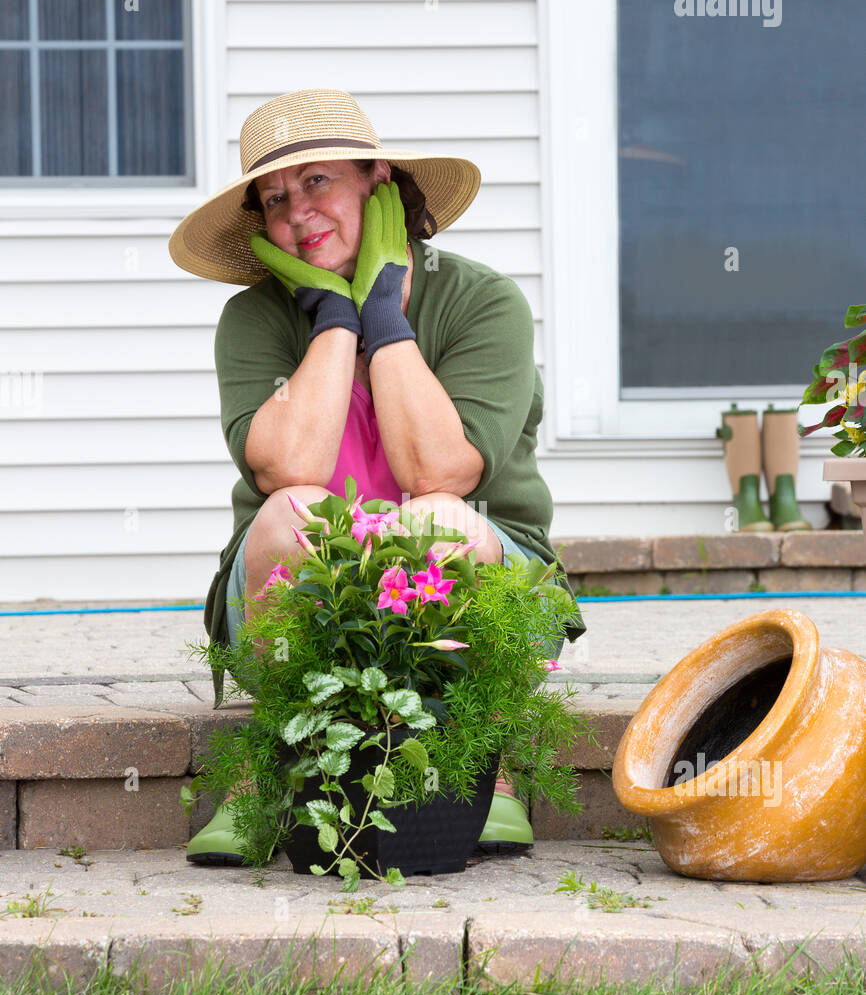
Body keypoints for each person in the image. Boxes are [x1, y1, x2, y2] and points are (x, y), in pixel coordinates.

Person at [168, 88, 585, 863]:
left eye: (318, 182)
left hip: (488, 574)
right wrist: (333, 315)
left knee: (434, 519)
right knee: (294, 509)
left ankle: (474, 757)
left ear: (378, 181)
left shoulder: (482, 301)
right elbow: (290, 468)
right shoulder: (257, 321)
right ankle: (277, 763)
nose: (298, 212)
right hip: (297, 589)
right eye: (276, 198)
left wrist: (386, 317)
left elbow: (441, 471)